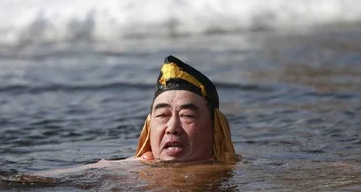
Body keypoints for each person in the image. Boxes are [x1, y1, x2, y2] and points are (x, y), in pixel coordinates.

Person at [38, 55, 238, 176]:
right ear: (149, 127)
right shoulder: (125, 171)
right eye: (162, 115)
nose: (172, 127)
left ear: (216, 128)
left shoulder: (236, 171)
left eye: (187, 116)